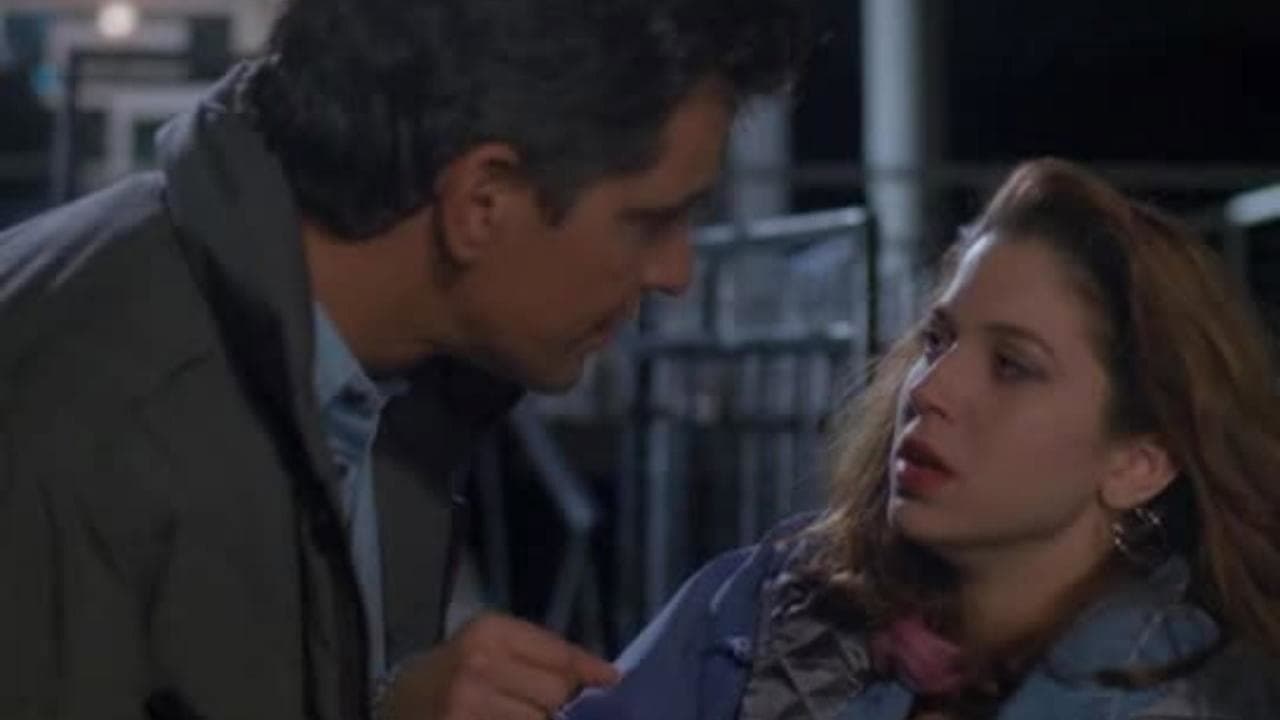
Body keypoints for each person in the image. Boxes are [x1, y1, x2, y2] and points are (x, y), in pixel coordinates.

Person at [0, 1, 811, 718]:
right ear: (482, 201)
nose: (675, 273)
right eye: (650, 222)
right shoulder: (82, 416)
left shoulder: (375, 377)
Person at [563, 158, 1280, 720]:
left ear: (1138, 464)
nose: (930, 389)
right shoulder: (757, 608)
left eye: (1012, 366)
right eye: (937, 341)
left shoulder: (1190, 698)